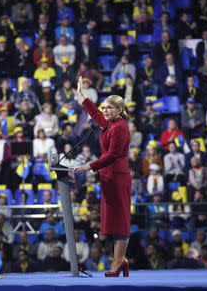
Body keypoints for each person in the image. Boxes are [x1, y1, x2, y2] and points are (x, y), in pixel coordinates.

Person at [74, 77, 131, 277]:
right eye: (104, 107)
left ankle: (120, 262)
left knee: (121, 221)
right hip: (109, 177)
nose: (104, 111)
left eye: (109, 108)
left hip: (118, 176)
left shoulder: (119, 127)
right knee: (115, 221)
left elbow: (113, 155)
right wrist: (82, 95)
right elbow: (96, 114)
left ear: (119, 110)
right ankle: (119, 261)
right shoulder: (109, 124)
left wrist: (89, 166)